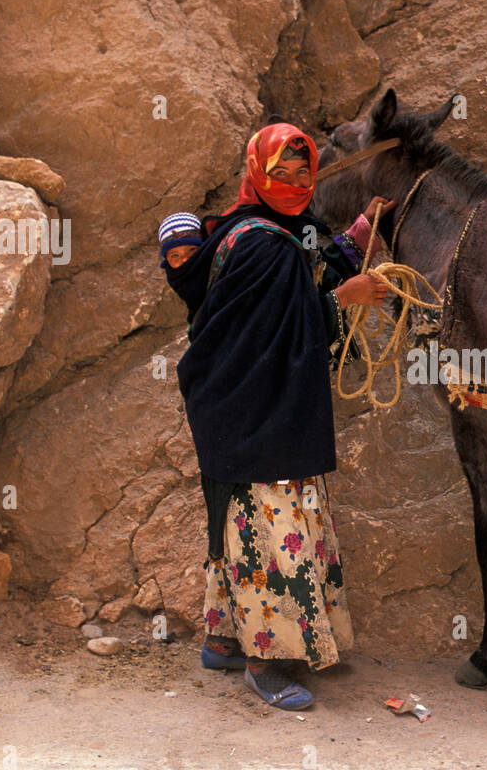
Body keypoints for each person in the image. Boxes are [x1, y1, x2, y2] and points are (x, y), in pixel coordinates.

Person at [160, 120, 394, 710]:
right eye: (279, 174)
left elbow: (317, 259)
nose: (292, 183)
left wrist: (365, 227)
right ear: (257, 174)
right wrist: (343, 300)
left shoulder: (276, 229)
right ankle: (268, 662)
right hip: (257, 410)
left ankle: (221, 638)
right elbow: (271, 329)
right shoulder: (263, 242)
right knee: (274, 526)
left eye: (301, 172)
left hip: (248, 405)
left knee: (245, 522)